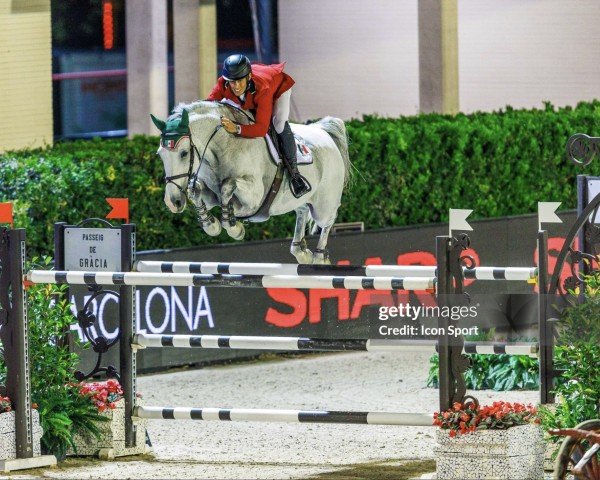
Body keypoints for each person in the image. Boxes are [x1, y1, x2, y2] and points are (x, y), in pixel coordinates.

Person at [206, 54, 311, 198]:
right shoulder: (223, 83)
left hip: (277, 88)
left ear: (248, 77)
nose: (236, 86)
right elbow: (207, 106)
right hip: (254, 94)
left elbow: (261, 129)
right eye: (232, 82)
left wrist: (237, 128)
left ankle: (295, 174)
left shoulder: (262, 88)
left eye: (239, 81)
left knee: (278, 124)